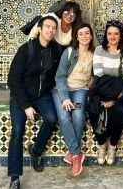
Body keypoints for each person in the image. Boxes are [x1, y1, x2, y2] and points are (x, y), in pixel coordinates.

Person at [7, 16, 62, 189]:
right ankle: (15, 177)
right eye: (47, 26)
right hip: (21, 96)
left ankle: (36, 150)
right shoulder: (26, 49)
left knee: (52, 119)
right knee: (17, 131)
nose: (51, 30)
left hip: (42, 95)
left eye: (54, 28)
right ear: (39, 29)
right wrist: (26, 106)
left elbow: (58, 74)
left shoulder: (55, 50)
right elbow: (13, 79)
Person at [52, 23, 94, 176]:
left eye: (87, 33)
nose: (84, 36)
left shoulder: (94, 55)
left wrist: (91, 82)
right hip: (62, 90)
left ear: (91, 36)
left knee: (77, 115)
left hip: (80, 90)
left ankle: (73, 154)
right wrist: (64, 99)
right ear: (76, 36)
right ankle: (76, 154)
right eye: (80, 33)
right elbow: (60, 76)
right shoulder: (69, 52)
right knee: (64, 117)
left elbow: (95, 77)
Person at [91, 20, 123, 165]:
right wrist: (114, 85)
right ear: (106, 35)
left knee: (121, 110)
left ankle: (113, 144)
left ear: (121, 36)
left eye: (116, 33)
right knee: (93, 109)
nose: (113, 36)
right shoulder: (99, 51)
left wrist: (115, 98)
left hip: (120, 94)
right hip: (101, 92)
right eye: (110, 33)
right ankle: (102, 143)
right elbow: (99, 76)